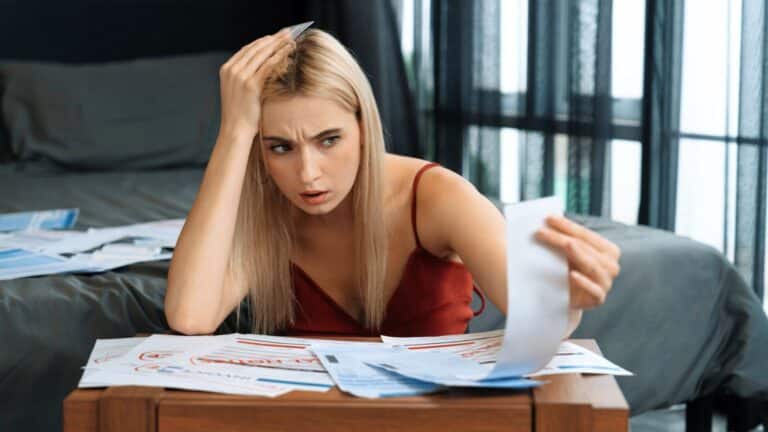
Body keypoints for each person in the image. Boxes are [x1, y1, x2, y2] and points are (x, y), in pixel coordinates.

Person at [165, 27, 621, 338]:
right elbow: (190, 317)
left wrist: (568, 303)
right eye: (280, 147)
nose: (308, 174)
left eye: (329, 140)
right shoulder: (266, 210)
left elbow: (535, 314)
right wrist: (234, 131)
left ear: (364, 127)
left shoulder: (437, 197)